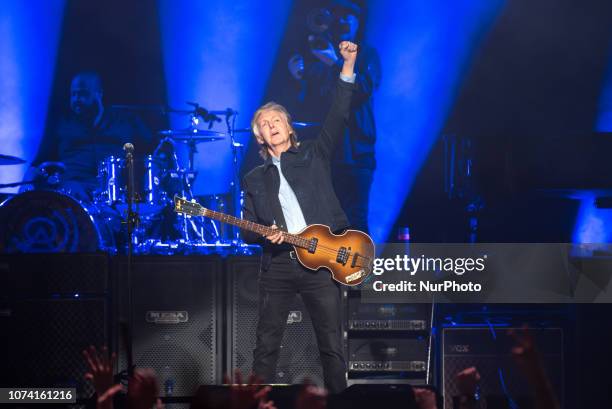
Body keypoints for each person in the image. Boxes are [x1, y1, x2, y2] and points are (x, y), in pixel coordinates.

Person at [241, 40, 358, 394]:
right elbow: (247, 231)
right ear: (259, 136)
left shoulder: (315, 154)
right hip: (277, 266)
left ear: (290, 129)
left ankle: (339, 403)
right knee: (266, 345)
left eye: (277, 119)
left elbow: (338, 113)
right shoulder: (253, 178)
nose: (271, 124)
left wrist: (348, 65)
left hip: (320, 260)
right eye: (264, 122)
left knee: (331, 345)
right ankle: (255, 403)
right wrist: (265, 234)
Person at [287, 0, 380, 234]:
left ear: (358, 22)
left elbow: (361, 91)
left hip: (357, 153)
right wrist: (299, 80)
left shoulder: (367, 55)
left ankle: (362, 271)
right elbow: (309, 107)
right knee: (327, 225)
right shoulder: (322, 58)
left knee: (356, 221)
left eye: (349, 16)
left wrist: (336, 63)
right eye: (338, 15)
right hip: (327, 154)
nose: (343, 21)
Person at [24, 71, 152, 201]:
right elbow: (39, 163)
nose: (76, 99)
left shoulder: (125, 121)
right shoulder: (62, 124)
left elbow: (153, 151)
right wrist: (22, 194)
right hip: (73, 192)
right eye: (73, 94)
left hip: (115, 190)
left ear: (99, 94)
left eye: (83, 93)